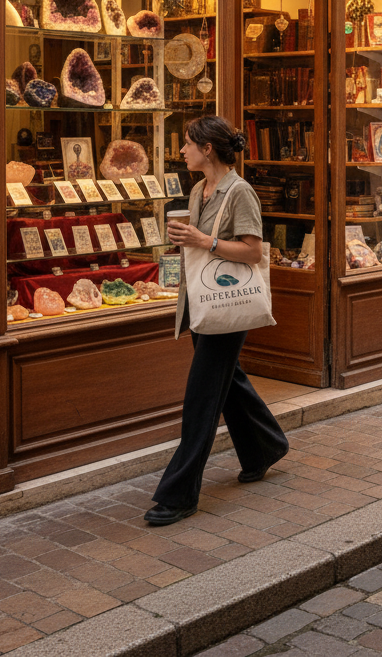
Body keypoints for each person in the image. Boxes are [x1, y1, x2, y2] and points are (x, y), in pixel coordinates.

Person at [145, 115, 289, 526]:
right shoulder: (197, 190)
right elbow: (197, 248)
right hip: (200, 301)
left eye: (189, 144)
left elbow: (253, 252)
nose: (183, 150)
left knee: (202, 399)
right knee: (230, 383)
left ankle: (179, 494)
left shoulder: (239, 192)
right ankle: (266, 447)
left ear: (208, 149)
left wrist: (204, 240)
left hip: (228, 304)